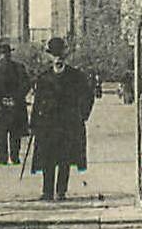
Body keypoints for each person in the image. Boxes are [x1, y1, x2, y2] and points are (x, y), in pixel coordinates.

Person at [29, 36, 94, 201]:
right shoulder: (43, 77)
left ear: (64, 56)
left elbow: (88, 96)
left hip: (68, 125)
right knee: (47, 159)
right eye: (54, 55)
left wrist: (82, 115)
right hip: (47, 126)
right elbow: (37, 103)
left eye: (60, 55)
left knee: (64, 159)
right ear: (50, 56)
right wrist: (34, 123)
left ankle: (61, 191)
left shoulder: (76, 76)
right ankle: (47, 191)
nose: (57, 58)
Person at [0, 42, 30, 166]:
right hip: (16, 105)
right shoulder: (19, 67)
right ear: (10, 53)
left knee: (1, 133)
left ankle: (3, 158)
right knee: (15, 133)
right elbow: (26, 85)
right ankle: (15, 157)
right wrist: (15, 98)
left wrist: (0, 99)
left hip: (0, 106)